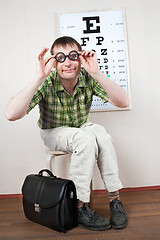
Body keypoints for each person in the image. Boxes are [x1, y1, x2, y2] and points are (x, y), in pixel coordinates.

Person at [5, 36, 130, 231]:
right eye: (61, 57)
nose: (68, 62)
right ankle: (79, 207)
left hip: (80, 127)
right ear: (54, 62)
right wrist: (39, 78)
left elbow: (124, 102)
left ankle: (115, 200)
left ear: (80, 57)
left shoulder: (87, 77)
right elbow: (11, 114)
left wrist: (97, 74)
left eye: (73, 55)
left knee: (102, 136)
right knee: (84, 138)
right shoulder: (47, 82)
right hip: (52, 131)